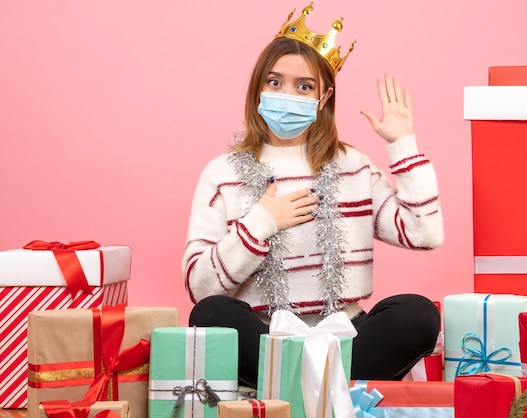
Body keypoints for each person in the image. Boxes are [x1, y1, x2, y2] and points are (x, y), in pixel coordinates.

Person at [183, 4, 444, 389]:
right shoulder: (221, 173)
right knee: (210, 314)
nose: (287, 94)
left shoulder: (352, 165)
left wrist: (402, 145)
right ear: (257, 89)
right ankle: (327, 392)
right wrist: (260, 223)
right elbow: (199, 287)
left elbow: (425, 234)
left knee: (418, 314)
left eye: (304, 86)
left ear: (323, 99)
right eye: (274, 82)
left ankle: (295, 390)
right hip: (265, 338)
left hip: (346, 337)